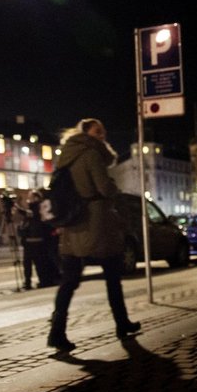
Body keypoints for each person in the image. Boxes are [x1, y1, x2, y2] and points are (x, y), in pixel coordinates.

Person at [47, 118, 140, 352]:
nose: (102, 136)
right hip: (96, 224)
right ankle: (122, 324)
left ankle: (56, 332)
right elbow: (104, 188)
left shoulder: (65, 157)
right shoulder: (91, 154)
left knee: (69, 281)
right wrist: (113, 186)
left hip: (72, 225)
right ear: (86, 134)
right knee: (112, 275)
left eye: (103, 131)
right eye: (98, 132)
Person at [17, 189, 59, 289]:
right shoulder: (32, 209)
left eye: (31, 197)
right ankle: (28, 282)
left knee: (39, 263)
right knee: (27, 263)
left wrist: (17, 207)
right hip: (28, 241)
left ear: (36, 198)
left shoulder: (40, 208)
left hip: (37, 241)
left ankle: (44, 281)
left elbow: (32, 215)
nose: (28, 199)